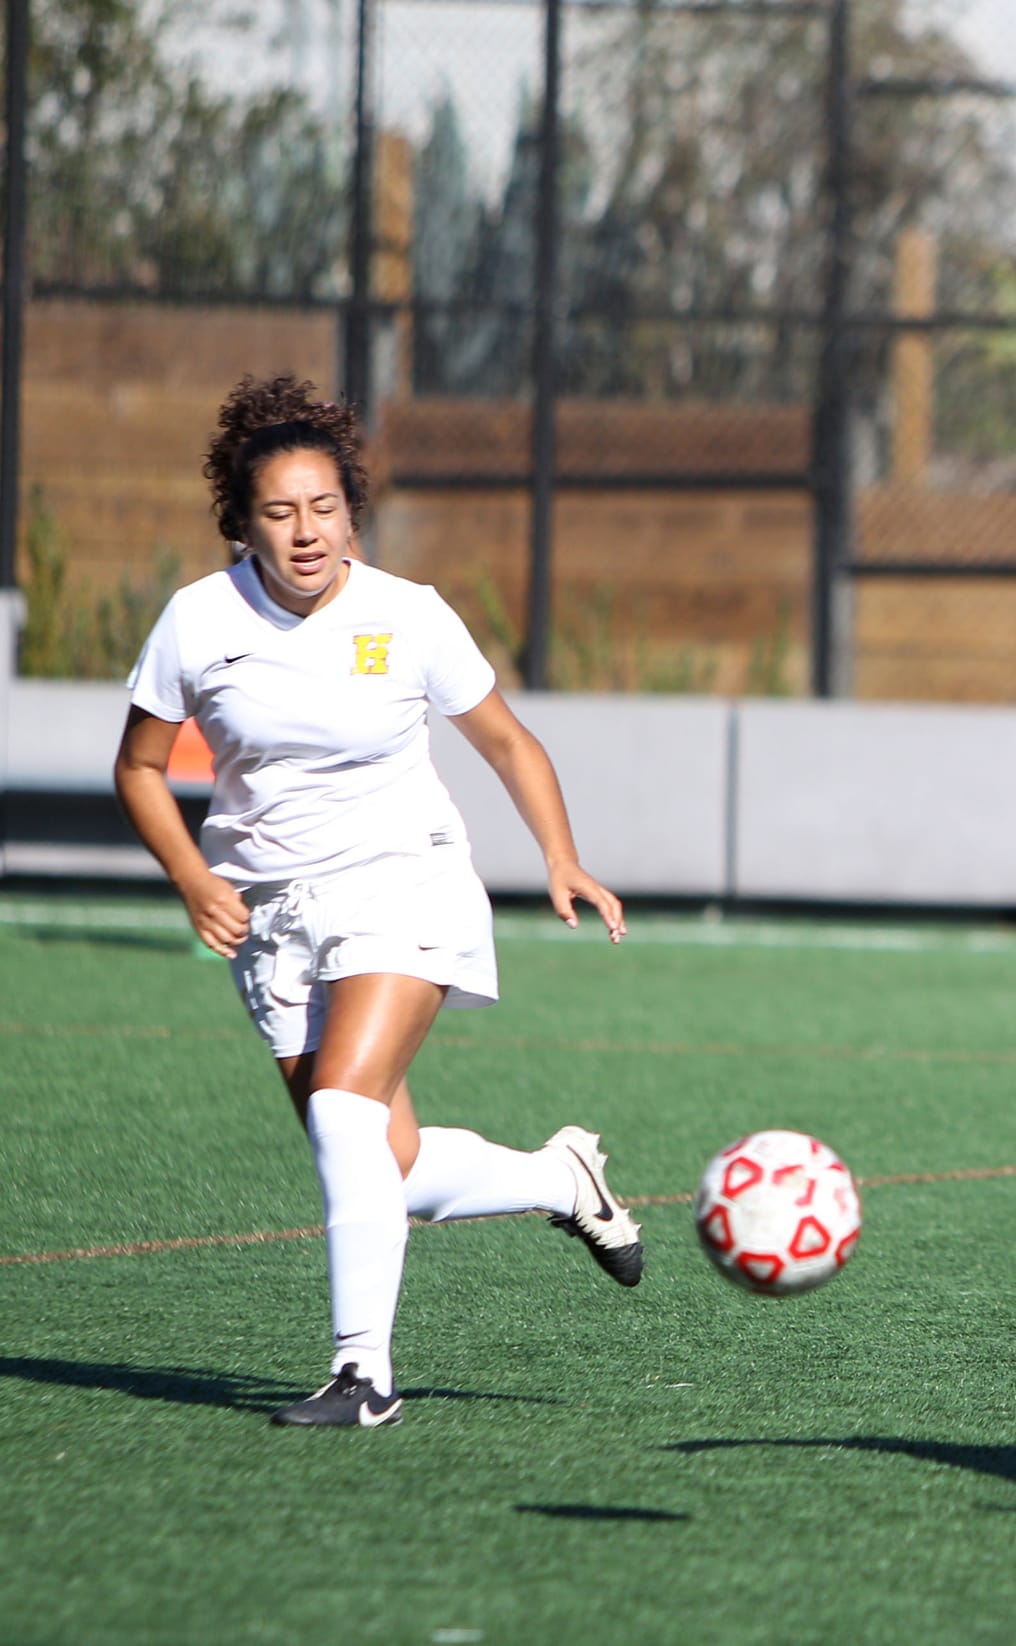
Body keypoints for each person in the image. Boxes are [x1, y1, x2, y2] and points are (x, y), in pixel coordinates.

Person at [114, 376, 644, 1430]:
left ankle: (364, 1375)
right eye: (279, 511)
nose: (305, 532)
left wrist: (561, 855)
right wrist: (192, 873)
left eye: (323, 507)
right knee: (380, 1162)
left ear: (352, 509)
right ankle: (559, 1176)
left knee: (345, 1116)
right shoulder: (196, 620)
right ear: (242, 520)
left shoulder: (408, 614)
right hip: (269, 914)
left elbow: (506, 740)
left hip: (405, 874)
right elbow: (136, 767)